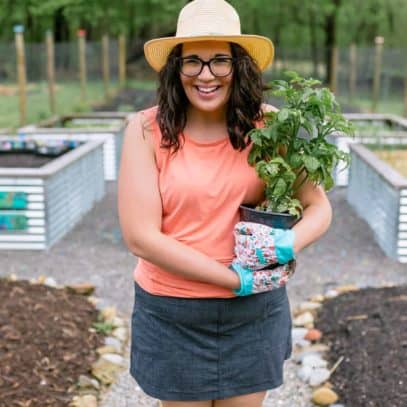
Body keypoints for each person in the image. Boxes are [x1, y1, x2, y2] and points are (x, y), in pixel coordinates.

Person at [118, 0, 332, 406]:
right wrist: (234, 280)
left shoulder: (271, 127)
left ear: (239, 66)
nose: (206, 75)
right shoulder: (147, 129)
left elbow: (319, 208)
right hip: (173, 312)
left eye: (220, 60)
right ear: (175, 68)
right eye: (192, 62)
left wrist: (289, 244)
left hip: (253, 315)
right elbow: (141, 237)